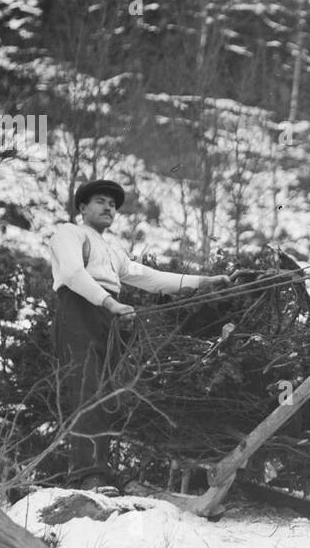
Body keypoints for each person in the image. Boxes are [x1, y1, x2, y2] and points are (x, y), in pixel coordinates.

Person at [48, 179, 231, 489]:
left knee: (106, 395)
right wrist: (110, 302)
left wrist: (206, 281)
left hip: (107, 316)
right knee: (86, 391)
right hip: (78, 310)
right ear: (82, 207)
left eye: (113, 204)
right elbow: (71, 274)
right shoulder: (69, 233)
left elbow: (152, 278)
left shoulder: (113, 251)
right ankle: (86, 475)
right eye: (100, 201)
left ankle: (98, 472)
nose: (109, 208)